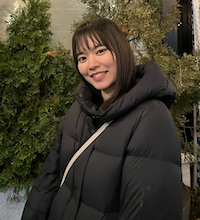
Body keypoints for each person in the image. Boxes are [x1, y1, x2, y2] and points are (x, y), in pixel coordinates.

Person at [21, 18, 182, 220]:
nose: (92, 65)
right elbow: (49, 179)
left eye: (100, 51)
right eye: (82, 58)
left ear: (120, 50)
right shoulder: (79, 110)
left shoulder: (151, 118)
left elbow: (148, 210)